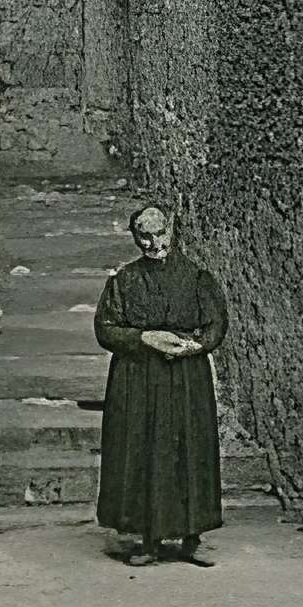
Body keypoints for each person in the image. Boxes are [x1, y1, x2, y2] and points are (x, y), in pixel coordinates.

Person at [93, 204, 227, 566]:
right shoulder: (124, 281)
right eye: (145, 236)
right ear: (135, 238)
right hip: (139, 380)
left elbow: (216, 323)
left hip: (186, 380)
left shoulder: (197, 277)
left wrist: (195, 345)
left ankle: (190, 535)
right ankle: (149, 540)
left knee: (188, 452)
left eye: (160, 233)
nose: (155, 243)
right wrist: (145, 338)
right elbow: (106, 328)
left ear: (172, 230)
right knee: (144, 452)